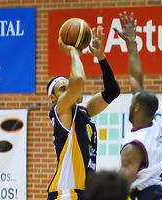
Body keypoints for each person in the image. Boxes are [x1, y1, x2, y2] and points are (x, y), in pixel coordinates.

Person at [46, 26, 120, 200]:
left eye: (68, 87)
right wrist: (73, 51)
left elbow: (112, 91)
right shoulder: (61, 110)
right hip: (66, 192)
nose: (69, 90)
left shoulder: (82, 111)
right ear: (53, 99)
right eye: (63, 89)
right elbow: (78, 81)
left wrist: (101, 57)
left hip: (84, 193)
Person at [114, 11, 162, 200]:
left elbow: (120, 185)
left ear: (137, 108)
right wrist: (132, 44)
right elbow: (135, 79)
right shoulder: (153, 125)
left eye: (132, 101)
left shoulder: (134, 146)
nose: (130, 101)